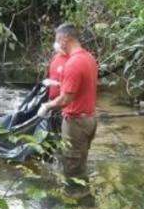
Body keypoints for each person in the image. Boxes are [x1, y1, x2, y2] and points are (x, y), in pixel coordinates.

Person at [37, 23, 98, 198]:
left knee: (72, 169)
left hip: (76, 122)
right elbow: (80, 88)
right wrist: (59, 84)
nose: (56, 45)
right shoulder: (88, 58)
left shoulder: (73, 63)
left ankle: (78, 206)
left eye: (57, 40)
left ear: (65, 39)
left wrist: (46, 106)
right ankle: (84, 197)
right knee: (80, 163)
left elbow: (65, 99)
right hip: (90, 118)